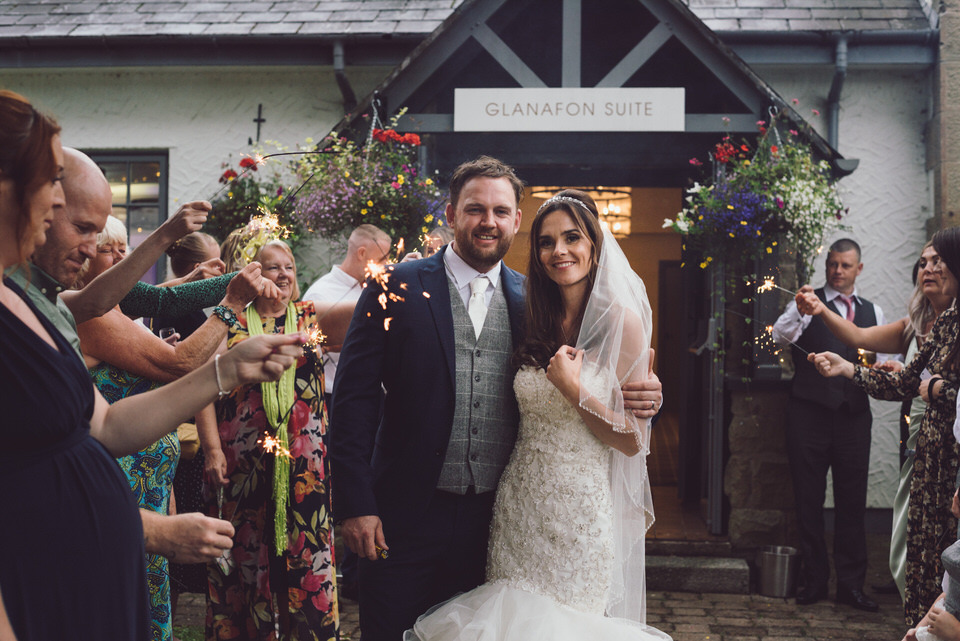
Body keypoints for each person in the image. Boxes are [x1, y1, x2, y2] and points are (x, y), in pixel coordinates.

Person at [0, 88, 304, 641]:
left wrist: (228, 370)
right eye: (50, 184)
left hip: (87, 573)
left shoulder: (30, 300)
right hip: (34, 587)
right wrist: (149, 531)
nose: (54, 203)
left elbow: (109, 426)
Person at [330, 157, 664, 641]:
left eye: (501, 211)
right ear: (450, 214)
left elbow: (606, 381)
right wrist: (355, 503)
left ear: (515, 221)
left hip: (491, 522)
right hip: (401, 517)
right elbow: (353, 401)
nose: (488, 221)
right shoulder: (396, 285)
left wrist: (646, 393)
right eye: (475, 209)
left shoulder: (531, 301)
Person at [5, 145, 252, 565]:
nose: (94, 248)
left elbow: (106, 423)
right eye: (86, 230)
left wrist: (226, 367)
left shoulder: (50, 303)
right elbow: (27, 479)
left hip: (112, 514)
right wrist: (231, 305)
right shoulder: (26, 311)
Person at [74, 217, 265, 641]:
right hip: (118, 487)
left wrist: (211, 278)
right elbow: (177, 365)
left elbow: (156, 299)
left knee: (146, 606)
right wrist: (232, 304)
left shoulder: (113, 301)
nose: (122, 258)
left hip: (150, 487)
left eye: (126, 247)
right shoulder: (91, 314)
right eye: (110, 249)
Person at [203, 240, 355, 641]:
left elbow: (366, 314)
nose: (284, 274)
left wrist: (398, 275)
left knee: (304, 556)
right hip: (243, 467)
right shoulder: (231, 320)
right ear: (252, 274)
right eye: (272, 268)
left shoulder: (309, 317)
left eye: (288, 267)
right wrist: (212, 450)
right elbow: (200, 386)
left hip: (304, 471)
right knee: (247, 556)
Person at [809, 226, 960, 625]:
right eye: (924, 262)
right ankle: (922, 626)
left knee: (944, 553)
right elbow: (908, 381)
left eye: (938, 260)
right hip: (925, 447)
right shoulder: (936, 325)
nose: (929, 269)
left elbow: (930, 386)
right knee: (918, 551)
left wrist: (940, 388)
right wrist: (847, 368)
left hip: (953, 453)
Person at [771, 238, 884, 612]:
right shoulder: (808, 302)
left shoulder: (874, 312)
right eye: (833, 264)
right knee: (808, 500)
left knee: (852, 503)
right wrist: (802, 311)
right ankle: (814, 581)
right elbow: (778, 335)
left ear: (858, 269)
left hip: (853, 418)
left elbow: (886, 360)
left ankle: (851, 586)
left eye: (845, 265)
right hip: (808, 414)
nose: (837, 271)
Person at [302, 223, 392, 399]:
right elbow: (310, 348)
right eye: (382, 259)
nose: (386, 265)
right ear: (361, 253)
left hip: (370, 393)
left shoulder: (373, 287)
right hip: (332, 394)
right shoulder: (320, 293)